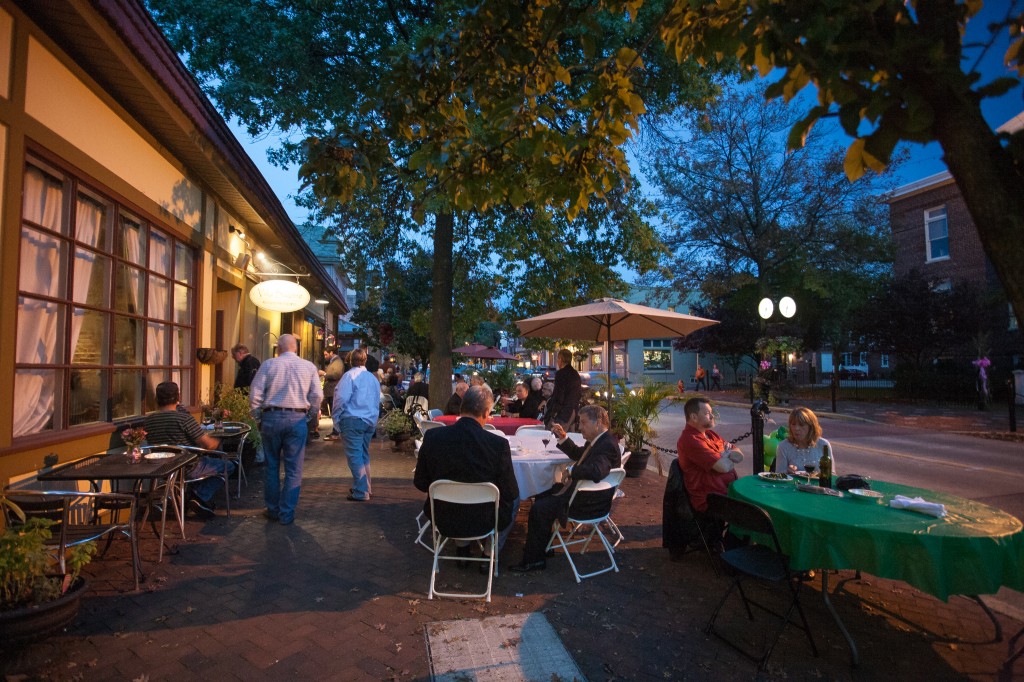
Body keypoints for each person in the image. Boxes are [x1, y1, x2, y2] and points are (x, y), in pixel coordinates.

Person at [509, 404, 621, 573]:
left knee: (539, 509)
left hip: (588, 503)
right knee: (541, 492)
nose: (580, 427)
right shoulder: (600, 440)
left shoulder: (606, 445)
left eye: (583, 423)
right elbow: (579, 455)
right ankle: (543, 547)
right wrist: (563, 437)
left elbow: (597, 471)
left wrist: (571, 470)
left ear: (598, 422)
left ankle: (534, 560)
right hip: (586, 495)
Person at [414, 386, 520, 561]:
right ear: (486, 413)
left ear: (462, 407)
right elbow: (511, 491)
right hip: (485, 519)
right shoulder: (498, 445)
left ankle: (461, 548)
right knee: (516, 499)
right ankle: (489, 553)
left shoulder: (433, 437)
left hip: (443, 517)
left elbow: (420, 482)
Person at [249, 334, 322, 525]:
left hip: (271, 418)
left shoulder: (268, 365)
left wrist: (258, 417)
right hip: (297, 418)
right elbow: (317, 395)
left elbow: (255, 394)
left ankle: (272, 509)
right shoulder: (308, 367)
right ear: (295, 348)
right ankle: (286, 513)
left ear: (278, 348)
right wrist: (308, 417)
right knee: (294, 470)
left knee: (271, 466)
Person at [144, 381, 235, 520]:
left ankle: (190, 499)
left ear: (156, 399)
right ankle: (199, 496)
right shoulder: (184, 419)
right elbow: (208, 445)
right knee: (228, 466)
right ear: (178, 397)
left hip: (161, 469)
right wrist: (218, 440)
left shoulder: (149, 421)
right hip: (187, 468)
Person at [677, 397, 744, 547]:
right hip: (711, 498)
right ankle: (732, 551)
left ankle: (734, 547)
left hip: (727, 492)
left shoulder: (711, 435)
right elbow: (724, 467)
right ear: (693, 417)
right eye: (707, 413)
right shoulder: (690, 439)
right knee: (751, 512)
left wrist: (724, 456)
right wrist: (726, 454)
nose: (712, 416)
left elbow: (739, 456)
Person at [334, 348, 381, 501]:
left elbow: (341, 399)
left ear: (349, 360)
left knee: (354, 456)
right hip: (369, 421)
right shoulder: (372, 378)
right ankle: (367, 487)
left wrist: (336, 418)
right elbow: (376, 401)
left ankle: (361, 491)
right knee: (363, 454)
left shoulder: (348, 376)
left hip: (352, 419)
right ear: (365, 360)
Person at [777, 407, 835, 476]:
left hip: (818, 485)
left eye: (801, 425)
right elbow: (779, 476)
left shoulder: (823, 445)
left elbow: (832, 474)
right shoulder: (784, 446)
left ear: (811, 427)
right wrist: (787, 472)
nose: (796, 428)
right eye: (793, 424)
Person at [544, 349, 581, 430]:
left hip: (562, 413)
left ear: (561, 359)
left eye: (558, 358)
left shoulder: (561, 374)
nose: (557, 361)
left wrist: (553, 413)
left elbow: (559, 395)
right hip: (572, 412)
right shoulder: (575, 374)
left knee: (553, 438)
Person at [321, 348, 344, 442]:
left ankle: (336, 432)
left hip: (333, 390)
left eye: (326, 354)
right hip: (331, 390)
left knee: (335, 412)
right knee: (333, 412)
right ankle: (335, 431)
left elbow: (336, 374)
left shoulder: (337, 362)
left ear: (331, 353)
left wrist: (325, 374)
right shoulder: (334, 361)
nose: (325, 356)